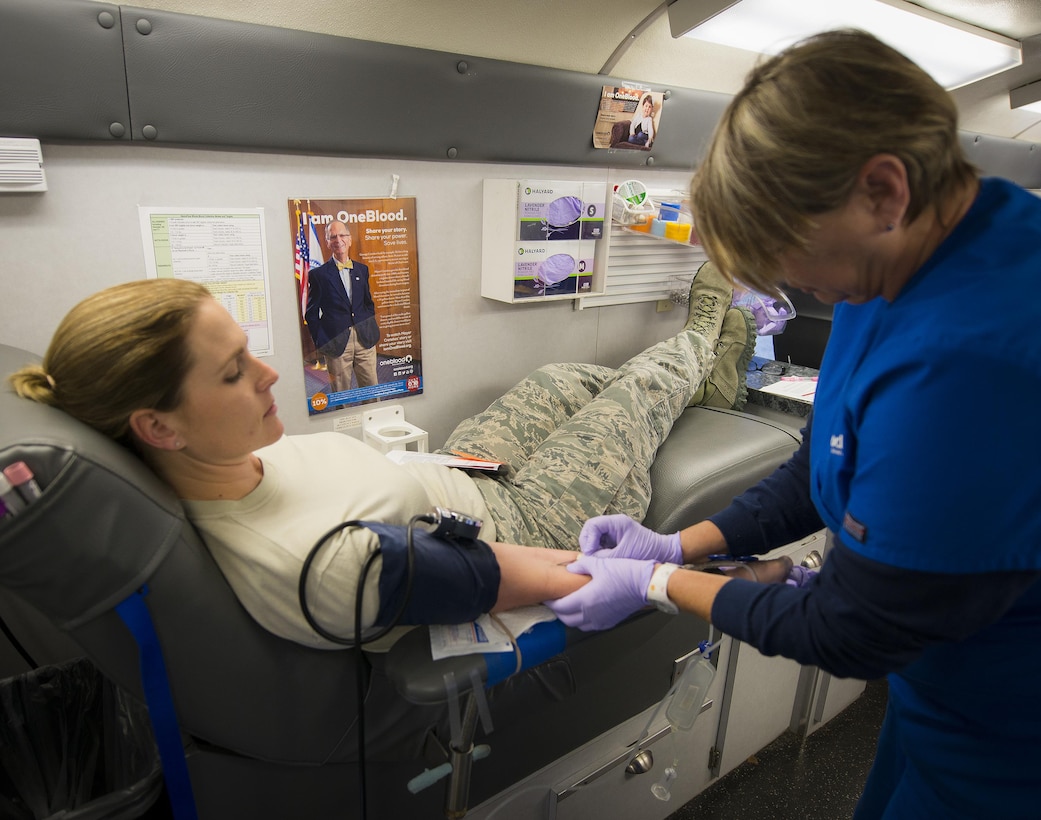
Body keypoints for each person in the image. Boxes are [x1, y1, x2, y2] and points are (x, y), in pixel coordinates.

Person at [544, 29, 1041, 820]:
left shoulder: (977, 356)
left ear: (882, 190)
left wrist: (656, 582)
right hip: (936, 699)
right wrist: (685, 543)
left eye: (785, 252)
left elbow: (851, 631)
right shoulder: (890, 266)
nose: (789, 283)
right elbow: (828, 459)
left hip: (1011, 738)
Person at [8, 261, 759, 649]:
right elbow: (561, 574)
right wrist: (680, 573)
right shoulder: (329, 566)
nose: (270, 376)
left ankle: (700, 379)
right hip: (527, 518)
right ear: (159, 428)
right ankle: (700, 344)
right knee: (644, 385)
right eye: (235, 373)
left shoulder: (222, 459)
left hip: (458, 473)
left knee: (559, 379)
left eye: (249, 354)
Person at [304, 221, 380, 392]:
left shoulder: (362, 270)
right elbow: (312, 314)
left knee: (372, 390)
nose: (338, 240)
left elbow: (368, 303)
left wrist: (369, 326)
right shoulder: (318, 275)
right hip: (336, 341)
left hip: (364, 339)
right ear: (328, 242)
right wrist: (322, 341)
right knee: (341, 393)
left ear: (350, 239)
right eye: (333, 237)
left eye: (342, 235)